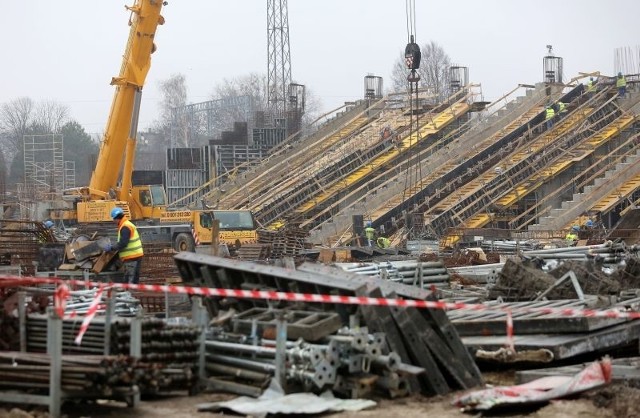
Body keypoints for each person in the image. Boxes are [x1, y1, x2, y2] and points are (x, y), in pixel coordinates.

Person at [106, 207, 144, 284]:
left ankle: (130, 294)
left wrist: (112, 248)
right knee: (134, 277)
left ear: (117, 218)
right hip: (135, 255)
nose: (113, 221)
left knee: (130, 279)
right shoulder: (127, 224)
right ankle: (132, 293)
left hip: (132, 256)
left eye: (114, 219)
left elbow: (123, 243)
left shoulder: (125, 227)